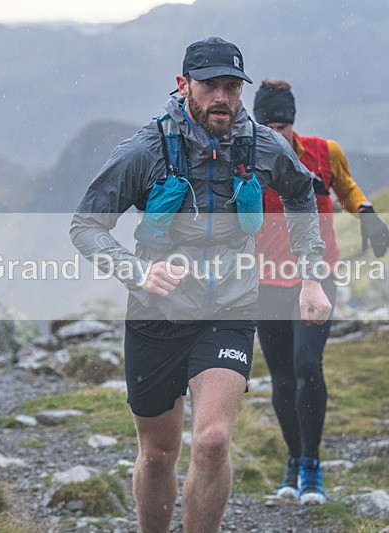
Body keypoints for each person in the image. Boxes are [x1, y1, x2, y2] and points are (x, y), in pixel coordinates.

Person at [70, 38, 332, 532]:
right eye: (210, 85)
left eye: (232, 87)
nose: (222, 98)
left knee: (212, 443)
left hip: (230, 308)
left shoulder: (261, 145)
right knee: (158, 455)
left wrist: (311, 277)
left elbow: (301, 194)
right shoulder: (145, 150)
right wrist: (136, 271)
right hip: (157, 311)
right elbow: (85, 227)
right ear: (183, 84)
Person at [251, 80, 389, 504]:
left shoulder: (324, 153)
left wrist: (366, 212)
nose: (277, 135)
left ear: (293, 122)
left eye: (283, 127)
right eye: (268, 127)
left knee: (308, 364)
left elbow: (345, 187)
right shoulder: (245, 157)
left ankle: (312, 465)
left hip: (316, 274)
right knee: (282, 376)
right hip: (265, 280)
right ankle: (294, 459)